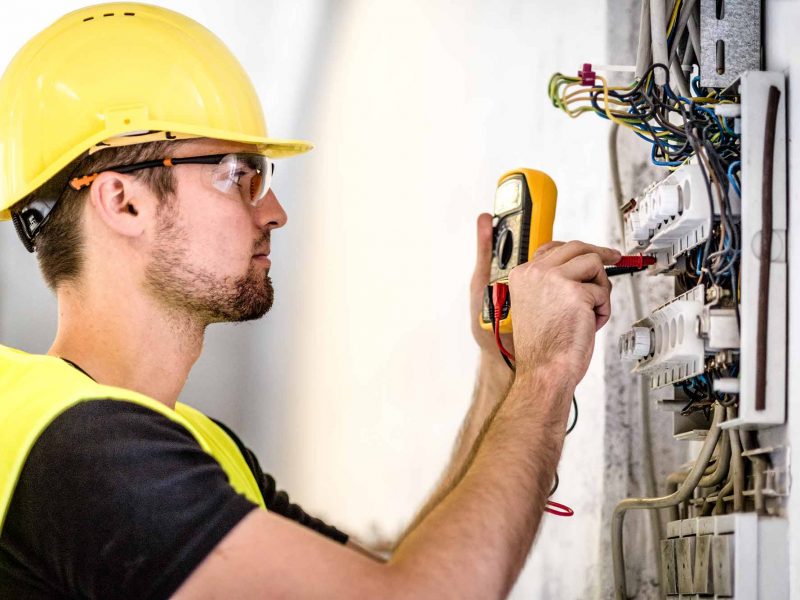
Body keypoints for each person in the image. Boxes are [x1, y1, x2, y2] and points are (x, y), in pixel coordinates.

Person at [0, 4, 619, 599]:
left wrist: (502, 369)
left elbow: (403, 572)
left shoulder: (189, 444)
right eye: (239, 174)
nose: (274, 212)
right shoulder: (79, 449)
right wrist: (548, 373)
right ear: (123, 202)